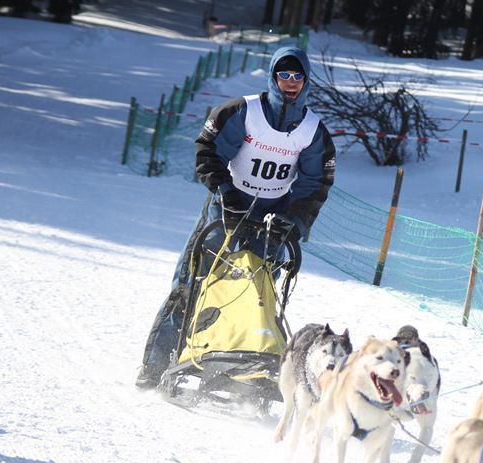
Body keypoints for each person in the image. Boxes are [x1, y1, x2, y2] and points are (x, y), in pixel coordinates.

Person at [136, 46, 335, 389]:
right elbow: (208, 151)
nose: (290, 82)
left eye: (297, 76)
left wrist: (295, 221)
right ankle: (157, 365)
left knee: (257, 294)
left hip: (272, 219)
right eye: (283, 75)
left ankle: (246, 370)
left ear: (306, 81)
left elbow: (315, 183)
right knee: (192, 285)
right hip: (226, 209)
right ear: (274, 78)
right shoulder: (242, 112)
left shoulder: (312, 131)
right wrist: (224, 191)